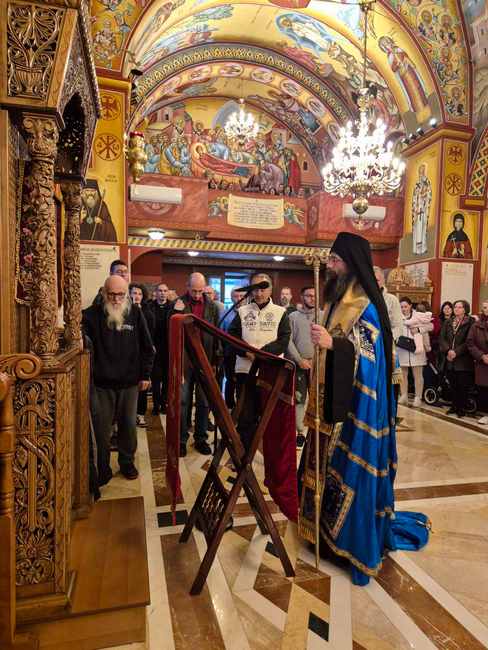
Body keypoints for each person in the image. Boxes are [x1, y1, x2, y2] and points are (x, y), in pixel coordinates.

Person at [298, 232, 397, 586]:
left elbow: (371, 365)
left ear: (352, 264)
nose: (330, 265)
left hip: (354, 413)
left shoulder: (365, 306)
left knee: (344, 473)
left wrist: (333, 344)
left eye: (336, 260)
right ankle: (320, 532)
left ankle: (348, 543)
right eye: (330, 259)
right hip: (326, 405)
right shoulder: (336, 300)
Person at [82, 275, 154, 483]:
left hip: (129, 383)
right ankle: (102, 468)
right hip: (102, 384)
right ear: (104, 293)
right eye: (112, 294)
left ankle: (127, 462)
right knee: (101, 430)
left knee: (128, 427)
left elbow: (147, 347)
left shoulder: (135, 314)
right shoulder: (90, 315)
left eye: (121, 295)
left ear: (127, 295)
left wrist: (145, 375)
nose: (116, 299)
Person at [228, 272, 291, 449]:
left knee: (267, 413)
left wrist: (261, 355)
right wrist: (246, 352)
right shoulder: (242, 311)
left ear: (270, 289)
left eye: (263, 288)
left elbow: (284, 339)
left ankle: (267, 449)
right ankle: (244, 451)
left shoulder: (280, 312)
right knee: (245, 413)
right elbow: (232, 335)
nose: (259, 293)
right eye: (255, 289)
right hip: (245, 370)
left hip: (270, 371)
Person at [171, 272, 221, 456]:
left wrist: (215, 360)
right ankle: (181, 440)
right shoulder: (178, 303)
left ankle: (201, 438)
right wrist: (176, 312)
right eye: (194, 291)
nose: (198, 295)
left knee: (204, 401)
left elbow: (216, 333)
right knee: (183, 401)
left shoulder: (212, 307)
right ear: (187, 287)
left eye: (200, 291)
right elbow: (171, 330)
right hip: (184, 359)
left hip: (205, 358)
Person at [286, 287, 322, 448]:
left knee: (318, 400)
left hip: (318, 365)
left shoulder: (322, 316)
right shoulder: (293, 316)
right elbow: (288, 341)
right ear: (302, 297)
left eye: (315, 296)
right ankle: (300, 432)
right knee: (299, 399)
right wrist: (299, 360)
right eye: (309, 295)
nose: (312, 298)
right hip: (299, 365)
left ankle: (316, 433)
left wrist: (317, 360)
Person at [439, 299, 474, 417]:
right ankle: (454, 406)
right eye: (455, 307)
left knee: (462, 386)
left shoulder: (470, 322)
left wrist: (456, 352)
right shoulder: (448, 322)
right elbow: (442, 338)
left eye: (460, 307)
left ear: (465, 309)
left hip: (463, 360)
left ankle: (461, 408)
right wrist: (448, 350)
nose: (456, 309)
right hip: (449, 359)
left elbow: (469, 341)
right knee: (453, 385)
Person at [129, 282, 156, 427]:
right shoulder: (125, 310)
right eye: (134, 293)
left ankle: (140, 414)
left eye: (139, 294)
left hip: (142, 354)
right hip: (128, 354)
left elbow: (150, 335)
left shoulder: (148, 313)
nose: (137, 296)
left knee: (143, 386)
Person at [398, 297, 432, 407]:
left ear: (410, 306)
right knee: (402, 374)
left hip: (417, 348)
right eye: (401, 307)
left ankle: (418, 397)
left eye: (405, 306)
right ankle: (403, 395)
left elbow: (430, 326)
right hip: (402, 348)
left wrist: (418, 329)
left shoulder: (418, 315)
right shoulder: (397, 317)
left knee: (418, 375)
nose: (403, 309)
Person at [220, 288, 247, 409]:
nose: (239, 299)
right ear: (231, 298)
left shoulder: (250, 313)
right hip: (230, 353)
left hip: (246, 355)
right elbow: (220, 334)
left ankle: (243, 407)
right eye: (236, 296)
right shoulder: (225, 314)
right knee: (230, 380)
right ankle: (229, 406)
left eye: (241, 296)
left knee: (244, 382)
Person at [150, 282, 171, 415]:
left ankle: (164, 403)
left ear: (167, 293)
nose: (162, 293)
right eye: (160, 291)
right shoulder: (149, 307)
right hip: (154, 348)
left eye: (165, 291)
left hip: (168, 348)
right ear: (156, 293)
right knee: (156, 379)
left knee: (167, 379)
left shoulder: (172, 307)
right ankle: (156, 405)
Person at [467, 300, 488, 424]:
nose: (487, 309)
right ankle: (486, 414)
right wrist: (481, 356)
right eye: (485, 307)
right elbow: (470, 343)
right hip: (482, 362)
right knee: (484, 390)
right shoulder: (476, 325)